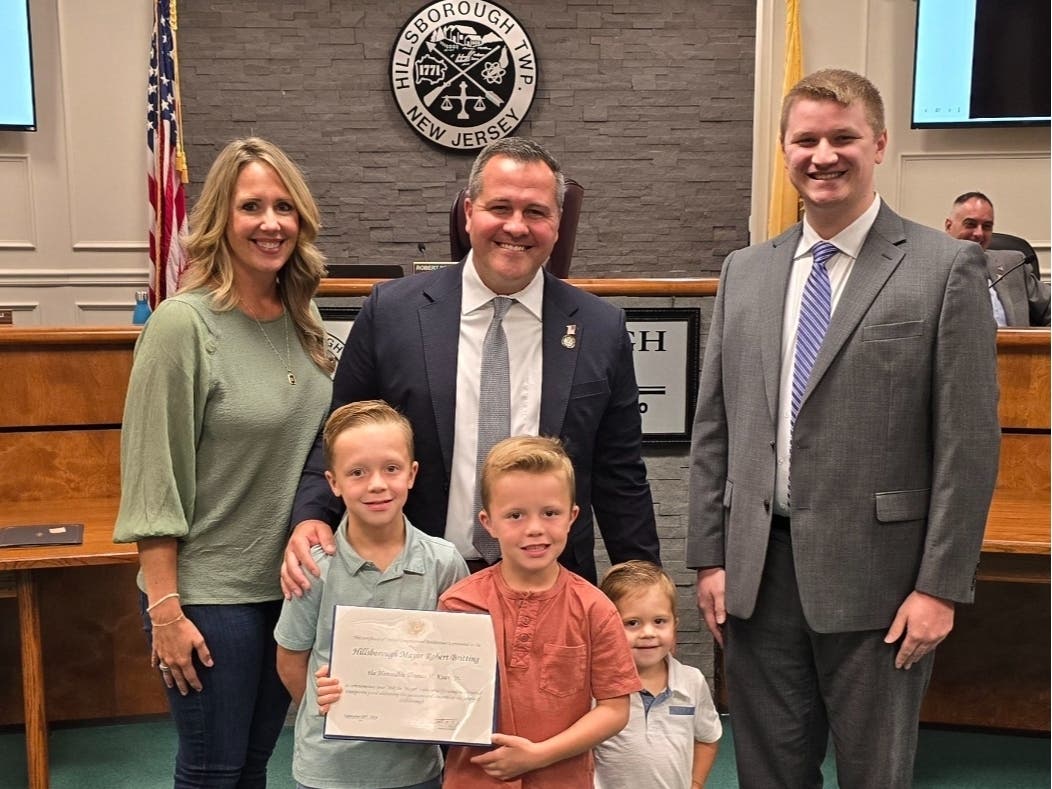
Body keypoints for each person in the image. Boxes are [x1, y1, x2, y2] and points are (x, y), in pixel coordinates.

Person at [687, 69, 1001, 788]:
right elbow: (717, 427)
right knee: (768, 772)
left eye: (842, 137)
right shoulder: (746, 271)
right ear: (784, 149)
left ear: (880, 143)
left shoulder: (946, 267)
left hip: (883, 586)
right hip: (758, 577)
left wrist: (940, 587)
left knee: (874, 775)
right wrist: (709, 556)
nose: (822, 154)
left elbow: (968, 445)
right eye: (806, 139)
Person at [283, 136, 659, 591]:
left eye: (536, 212)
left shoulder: (600, 327)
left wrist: (641, 589)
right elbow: (338, 434)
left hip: (551, 588)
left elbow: (620, 473)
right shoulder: (393, 311)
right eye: (500, 207)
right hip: (417, 582)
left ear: (558, 225)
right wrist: (311, 516)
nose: (516, 227)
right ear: (468, 213)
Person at [113, 137, 334, 788]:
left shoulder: (303, 316)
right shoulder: (182, 325)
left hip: (286, 590)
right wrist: (166, 610)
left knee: (254, 767)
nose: (270, 222)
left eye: (284, 207)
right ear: (220, 219)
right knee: (212, 771)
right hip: (209, 596)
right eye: (251, 206)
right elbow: (155, 478)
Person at [322, 435, 638, 787]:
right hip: (472, 780)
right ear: (488, 522)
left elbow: (614, 709)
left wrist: (539, 755)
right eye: (515, 515)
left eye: (550, 513)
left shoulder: (596, 608)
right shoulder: (459, 604)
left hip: (561, 778)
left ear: (572, 517)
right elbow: (422, 694)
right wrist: (349, 689)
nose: (535, 528)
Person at [274, 400, 468, 789]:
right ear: (333, 483)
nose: (377, 484)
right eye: (357, 472)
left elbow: (460, 659)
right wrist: (320, 698)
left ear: (412, 474)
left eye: (391, 469)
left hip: (414, 768)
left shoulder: (443, 563)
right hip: (329, 771)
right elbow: (291, 660)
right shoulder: (315, 568)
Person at [594, 560, 721, 789]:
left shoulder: (692, 682)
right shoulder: (594, 687)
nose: (648, 633)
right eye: (632, 623)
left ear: (675, 625)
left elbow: (708, 739)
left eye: (659, 621)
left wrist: (696, 783)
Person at [944, 191, 1051, 326]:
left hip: (1014, 345)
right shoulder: (928, 271)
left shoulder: (1013, 265)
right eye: (970, 224)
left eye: (987, 226)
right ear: (949, 226)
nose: (979, 233)